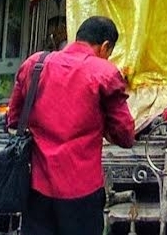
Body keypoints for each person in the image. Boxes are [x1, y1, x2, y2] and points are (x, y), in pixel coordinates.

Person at [7, 14, 135, 235]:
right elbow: (125, 134)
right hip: (81, 189)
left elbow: (14, 120)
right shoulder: (103, 73)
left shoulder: (35, 64)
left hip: (38, 184)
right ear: (105, 47)